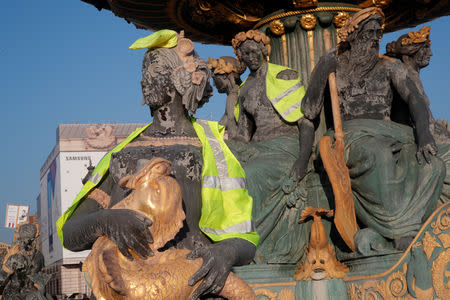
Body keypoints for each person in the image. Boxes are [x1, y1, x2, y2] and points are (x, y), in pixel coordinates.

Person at [57, 30, 258, 300]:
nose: (143, 81)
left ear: (179, 78)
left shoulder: (211, 148)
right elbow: (71, 234)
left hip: (191, 285)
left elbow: (245, 237)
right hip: (125, 288)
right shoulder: (123, 153)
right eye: (144, 74)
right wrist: (104, 221)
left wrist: (228, 251)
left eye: (153, 73)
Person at [299, 7, 450, 251]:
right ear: (353, 35)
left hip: (390, 132)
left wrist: (424, 135)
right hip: (350, 135)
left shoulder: (390, 66)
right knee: (378, 154)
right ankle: (398, 231)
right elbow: (309, 109)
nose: (374, 40)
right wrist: (322, 70)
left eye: (378, 34)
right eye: (369, 33)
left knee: (436, 163)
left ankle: (425, 227)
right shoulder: (334, 65)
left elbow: (416, 100)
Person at [225, 30, 321, 264]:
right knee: (219, 164)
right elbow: (245, 136)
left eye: (254, 50)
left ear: (264, 50)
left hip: (284, 146)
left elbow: (305, 123)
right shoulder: (245, 89)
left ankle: (255, 244)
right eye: (244, 53)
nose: (250, 56)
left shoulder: (284, 77)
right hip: (258, 147)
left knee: (251, 174)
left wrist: (301, 159)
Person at [385, 26, 450, 145]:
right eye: (425, 49)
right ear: (410, 52)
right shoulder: (406, 76)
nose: (431, 53)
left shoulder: (412, 75)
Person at [0, 223, 50, 300]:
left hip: (12, 296)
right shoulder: (40, 256)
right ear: (34, 239)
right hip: (31, 295)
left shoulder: (15, 258)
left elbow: (1, 279)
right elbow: (40, 284)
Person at [207, 56, 245, 138]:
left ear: (225, 76)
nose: (214, 83)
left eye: (214, 78)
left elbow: (231, 121)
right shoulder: (240, 92)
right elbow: (224, 121)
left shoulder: (233, 97)